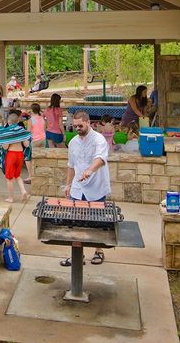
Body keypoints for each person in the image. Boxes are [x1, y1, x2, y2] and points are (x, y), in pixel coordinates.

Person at [60, 111, 110, 267]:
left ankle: (98, 251)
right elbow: (71, 166)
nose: (77, 128)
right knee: (76, 221)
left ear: (88, 122)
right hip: (77, 187)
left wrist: (90, 170)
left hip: (96, 186)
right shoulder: (73, 142)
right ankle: (77, 255)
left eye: (80, 125)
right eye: (75, 126)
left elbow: (101, 159)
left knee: (97, 221)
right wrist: (68, 184)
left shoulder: (99, 139)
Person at [0, 110, 31, 203]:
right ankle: (23, 191)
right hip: (20, 155)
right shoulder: (21, 131)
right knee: (17, 175)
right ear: (18, 121)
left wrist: (4, 143)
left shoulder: (7, 132)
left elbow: (5, 147)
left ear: (8, 122)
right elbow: (27, 144)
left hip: (11, 155)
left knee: (9, 178)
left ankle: (11, 198)